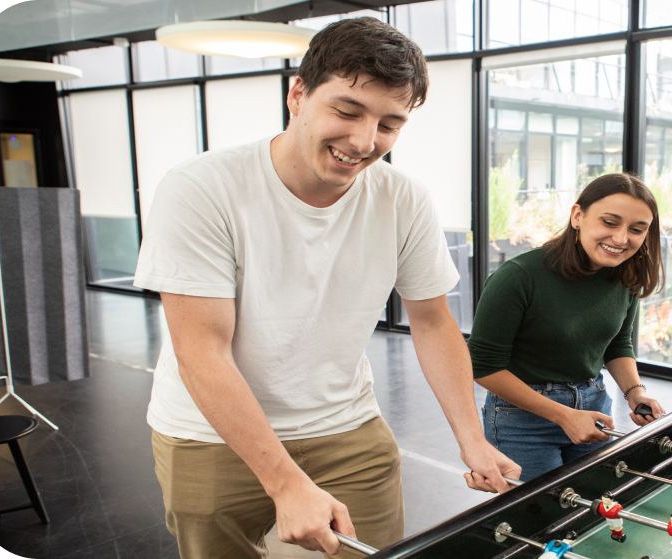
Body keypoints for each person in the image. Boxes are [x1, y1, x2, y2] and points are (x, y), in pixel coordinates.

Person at [134, 17, 519, 559]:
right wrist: (285, 481)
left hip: (346, 427)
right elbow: (202, 350)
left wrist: (473, 439)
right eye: (346, 111)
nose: (364, 142)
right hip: (209, 434)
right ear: (298, 93)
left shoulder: (402, 199)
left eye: (390, 124)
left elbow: (432, 321)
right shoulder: (201, 188)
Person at [469, 173, 667, 482]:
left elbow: (617, 344)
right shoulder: (519, 276)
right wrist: (564, 415)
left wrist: (634, 392)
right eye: (610, 222)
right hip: (522, 419)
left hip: (594, 406)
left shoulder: (625, 277)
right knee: (538, 520)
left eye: (637, 229)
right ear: (578, 216)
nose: (621, 238)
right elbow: (482, 367)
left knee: (591, 509)